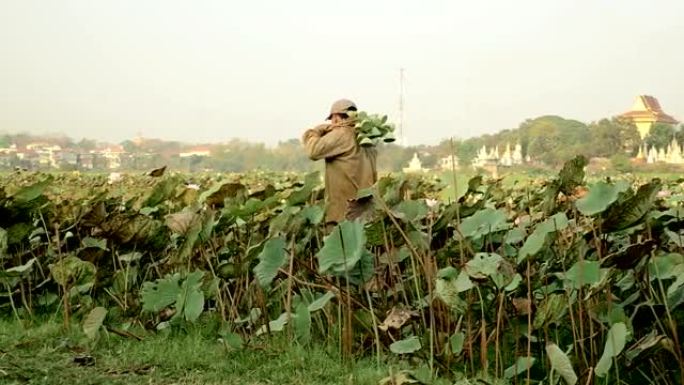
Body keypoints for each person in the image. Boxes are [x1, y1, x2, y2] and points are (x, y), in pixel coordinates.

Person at [301, 99, 377, 228]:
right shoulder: (367, 140)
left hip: (343, 214)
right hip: (364, 212)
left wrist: (315, 131)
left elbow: (312, 151)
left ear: (336, 118)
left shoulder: (341, 134)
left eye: (332, 119)